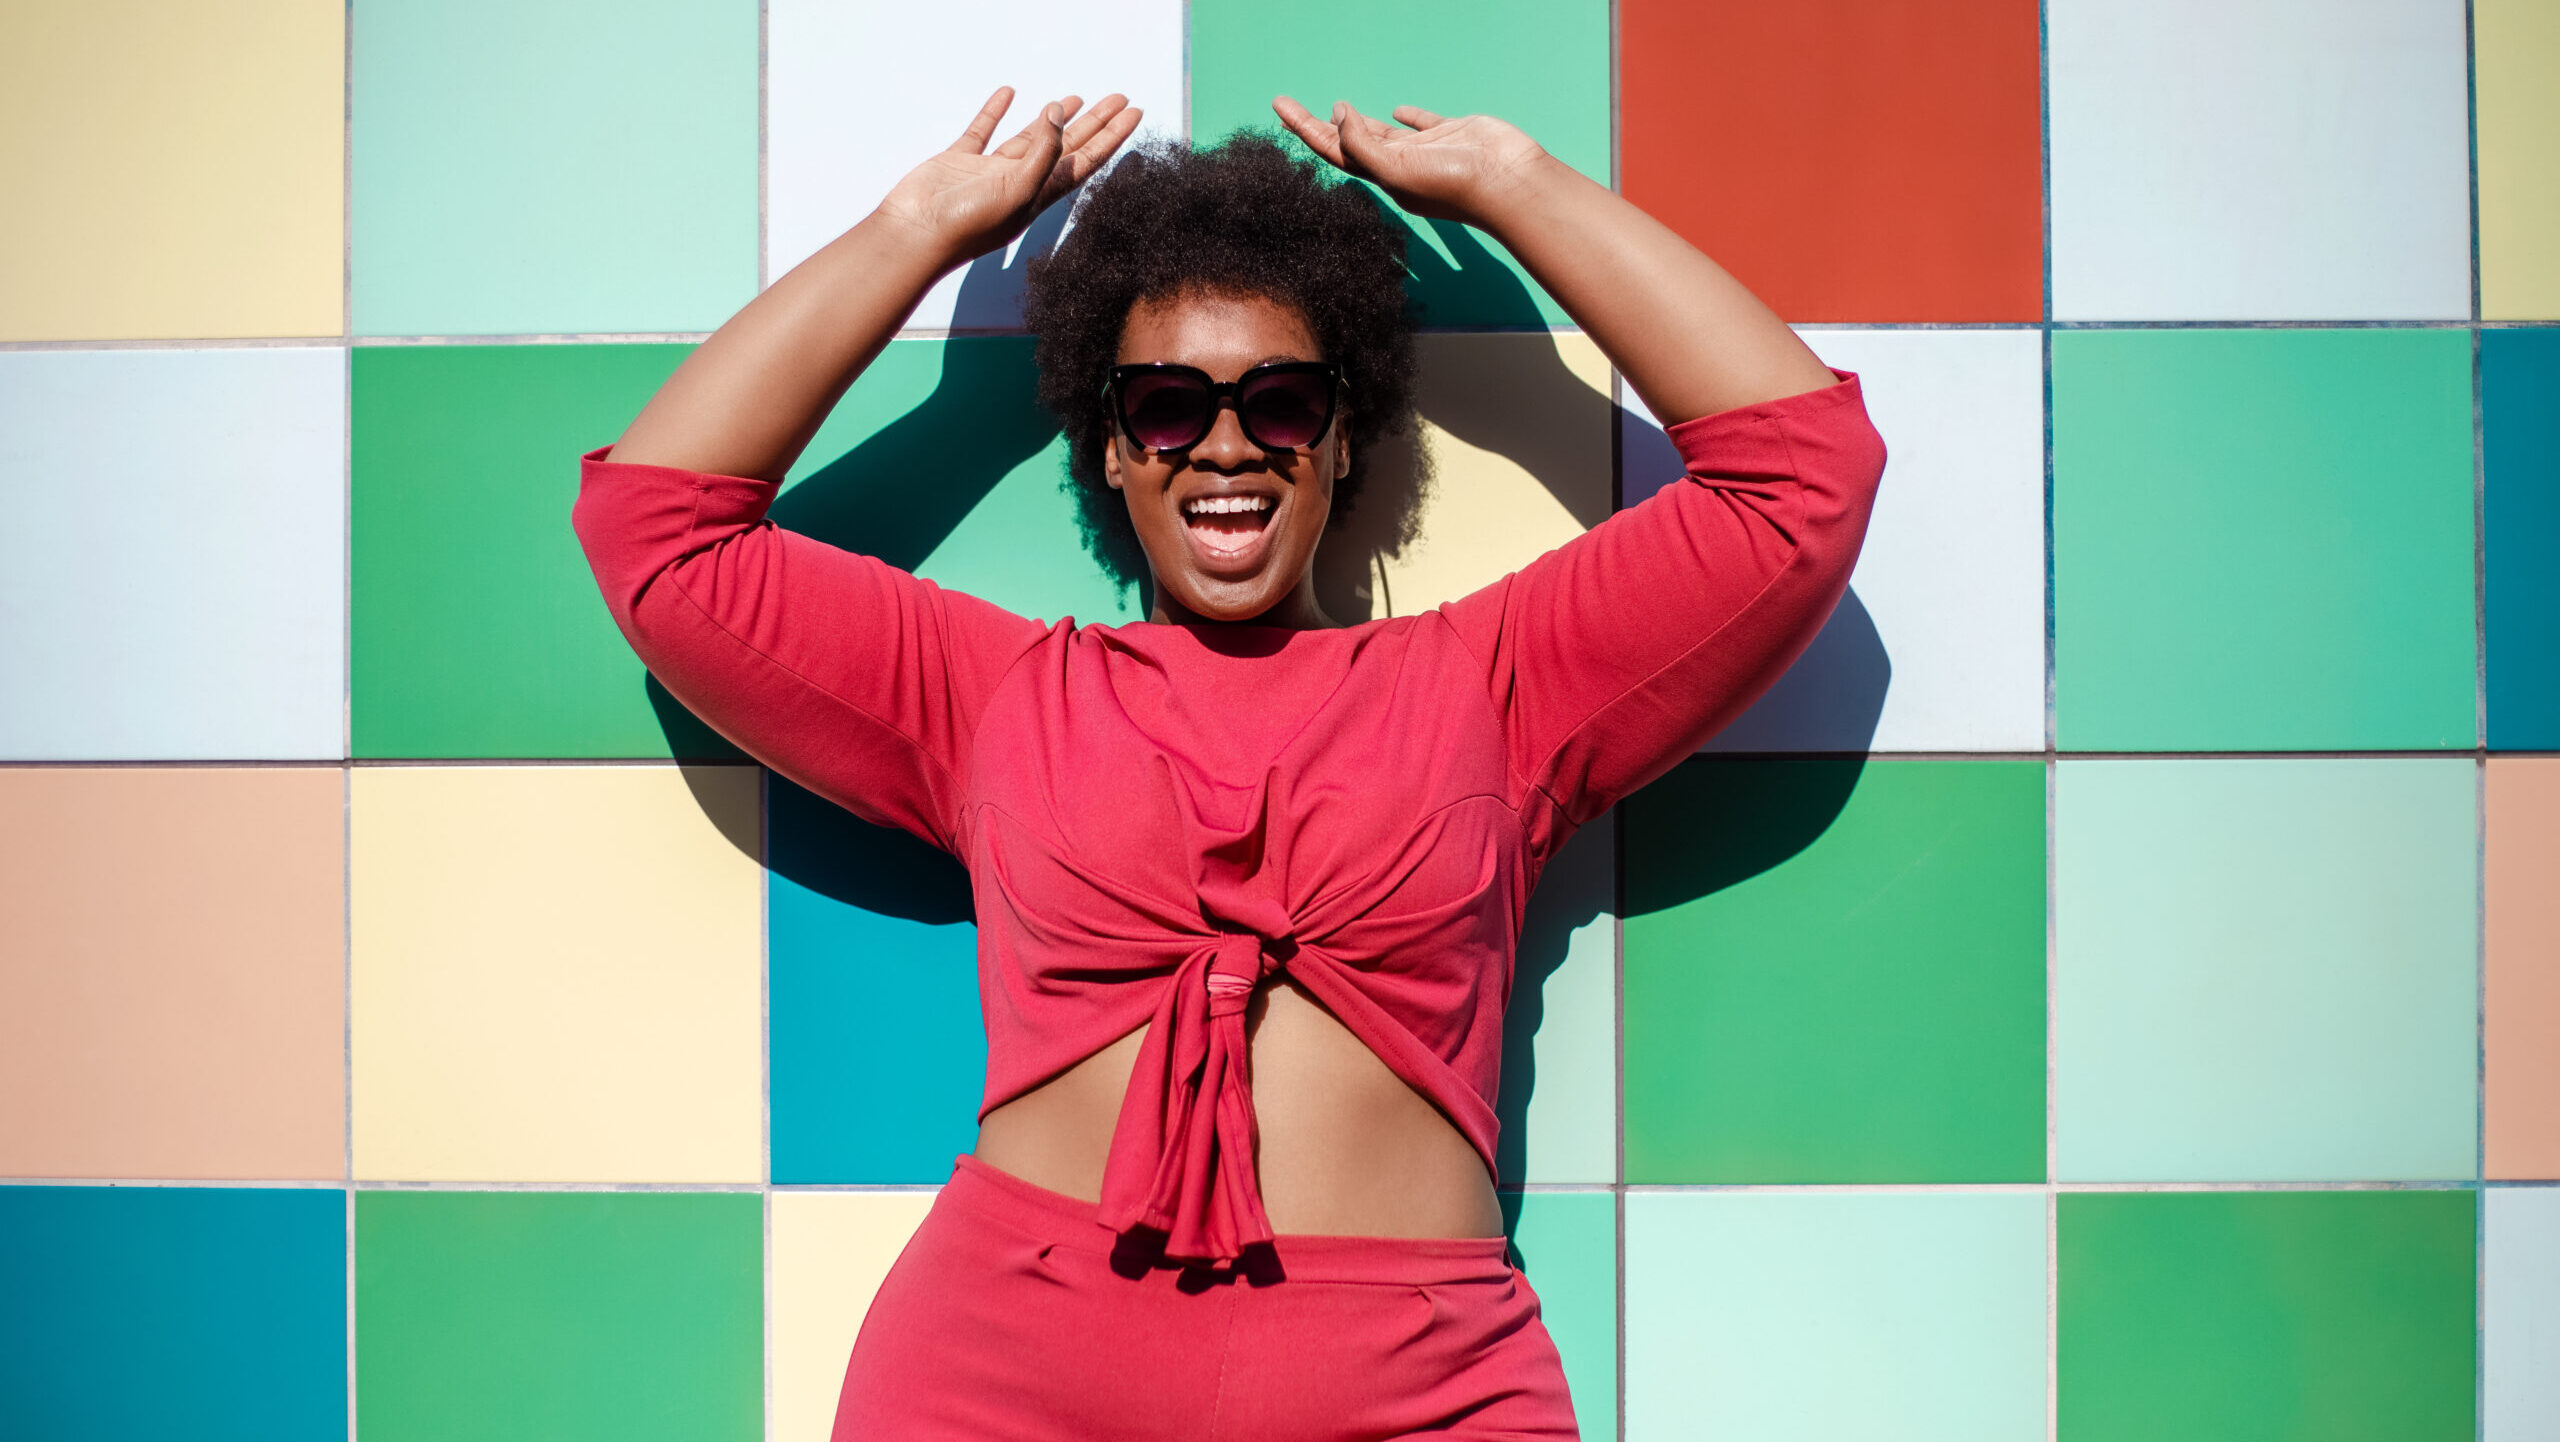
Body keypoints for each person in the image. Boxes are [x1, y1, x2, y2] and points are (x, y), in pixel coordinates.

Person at [576, 85, 1883, 1442]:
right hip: (1004, 1372)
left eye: (1281, 399)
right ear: (1110, 445)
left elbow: (1802, 477)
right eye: (1162, 404)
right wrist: (917, 230)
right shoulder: (995, 694)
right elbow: (655, 531)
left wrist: (1514, 184)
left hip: (1424, 1388)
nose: (1223, 441)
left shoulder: (1498, 683)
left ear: (1340, 433)